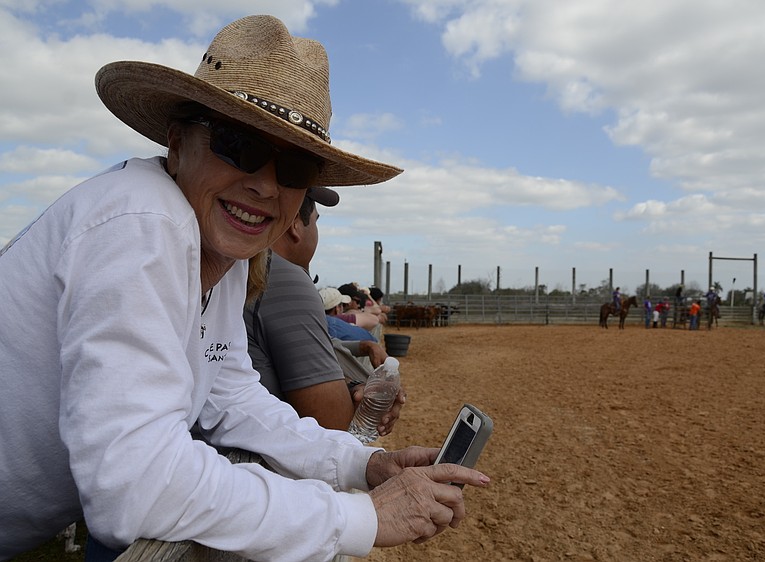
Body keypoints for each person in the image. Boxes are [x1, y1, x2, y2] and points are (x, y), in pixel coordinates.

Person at [0, 15, 489, 561]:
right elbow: (134, 487)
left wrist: (361, 463)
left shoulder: (223, 260)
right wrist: (358, 516)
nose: (264, 184)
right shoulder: (144, 220)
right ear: (177, 140)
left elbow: (231, 396)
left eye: (296, 166)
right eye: (239, 145)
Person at [245, 192, 402, 434]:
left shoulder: (239, 269)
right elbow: (335, 425)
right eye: (316, 221)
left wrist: (352, 379)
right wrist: (364, 398)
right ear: (295, 224)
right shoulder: (284, 280)